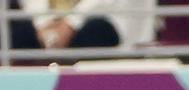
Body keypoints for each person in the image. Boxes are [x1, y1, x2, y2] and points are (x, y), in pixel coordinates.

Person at [9, 0, 155, 51]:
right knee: (15, 37)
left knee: (95, 33)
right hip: (48, 27)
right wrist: (43, 23)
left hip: (107, 21)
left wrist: (72, 23)